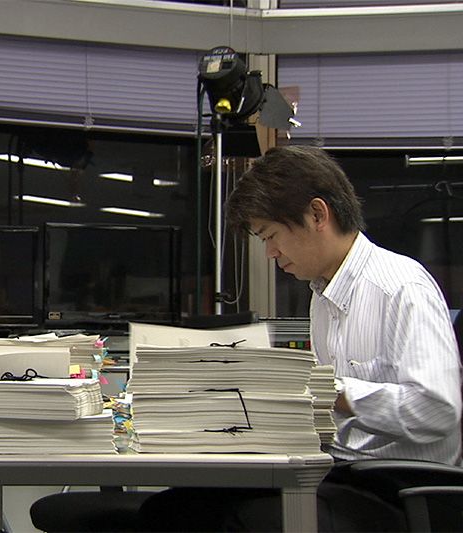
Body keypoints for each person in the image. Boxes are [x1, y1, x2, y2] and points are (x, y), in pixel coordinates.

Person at [138, 144, 462, 531]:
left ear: (317, 214)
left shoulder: (401, 287)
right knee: (171, 509)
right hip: (340, 472)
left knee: (244, 521)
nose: (270, 253)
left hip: (398, 491)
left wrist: (333, 391)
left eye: (271, 235)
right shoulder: (322, 294)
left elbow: (437, 410)